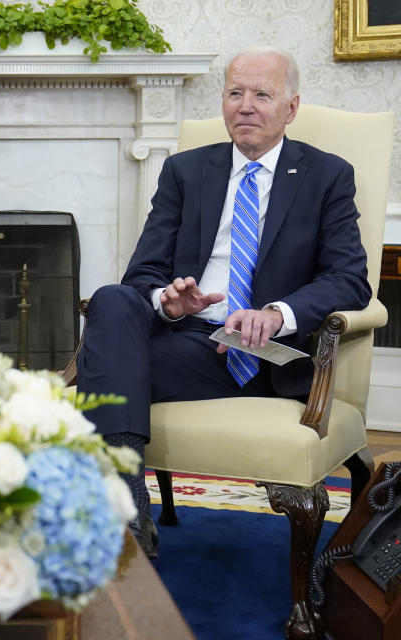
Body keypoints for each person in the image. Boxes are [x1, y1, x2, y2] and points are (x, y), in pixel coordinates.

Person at [75, 46, 371, 558]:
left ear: (291, 108)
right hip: (189, 339)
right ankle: (127, 501)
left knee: (104, 376)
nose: (246, 106)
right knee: (113, 298)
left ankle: (111, 513)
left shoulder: (327, 176)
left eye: (262, 94)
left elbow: (350, 278)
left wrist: (278, 313)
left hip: (263, 355)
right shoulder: (187, 171)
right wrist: (168, 303)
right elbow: (143, 271)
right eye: (235, 93)